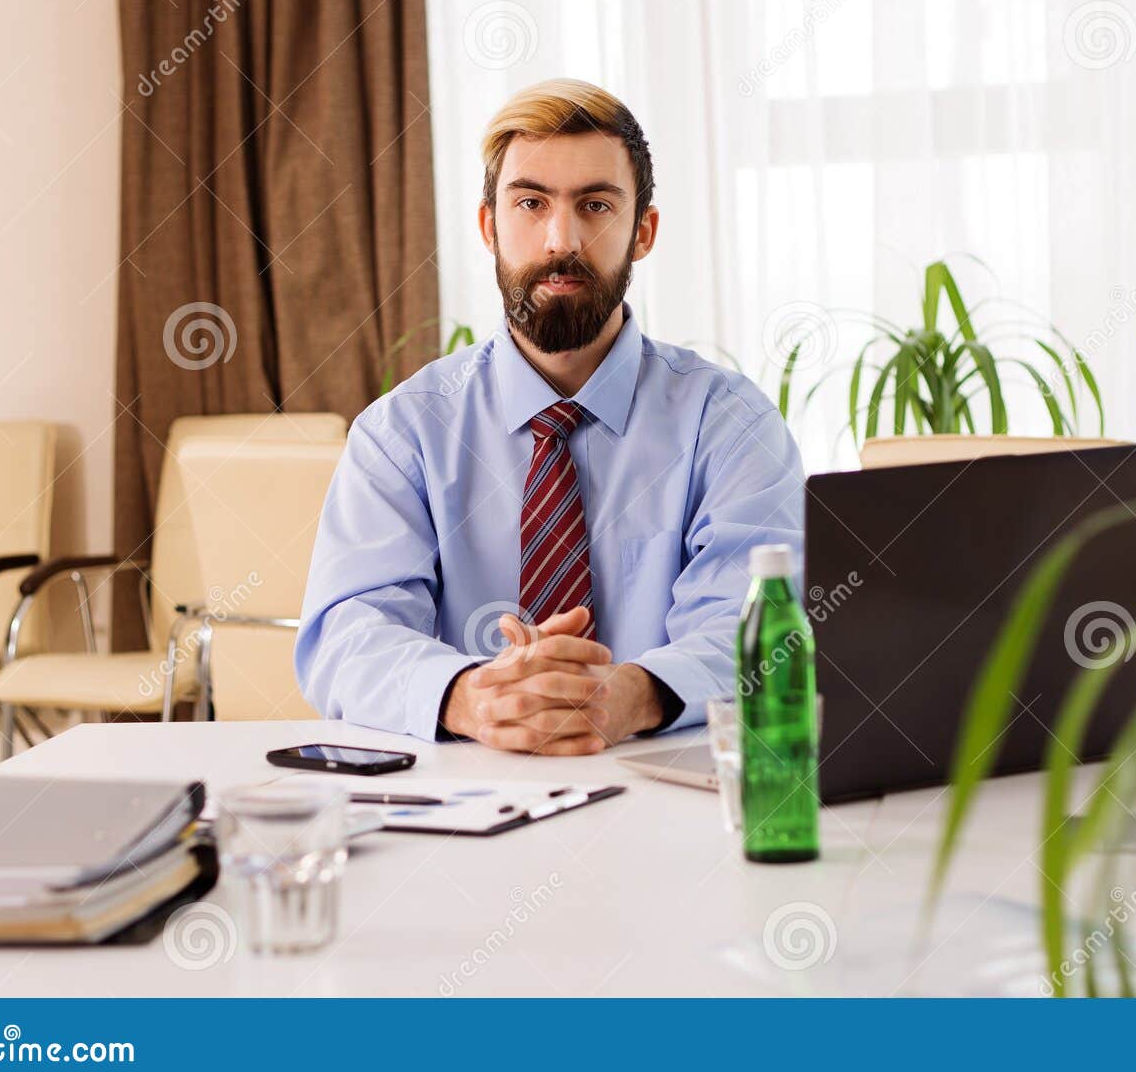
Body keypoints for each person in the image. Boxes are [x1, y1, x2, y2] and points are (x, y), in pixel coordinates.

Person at [295, 78, 804, 755]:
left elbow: (760, 625)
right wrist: (471, 696)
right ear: (488, 225)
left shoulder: (730, 424)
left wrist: (633, 693)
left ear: (643, 231)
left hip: (668, 797)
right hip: (459, 802)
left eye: (595, 204)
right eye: (531, 202)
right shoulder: (403, 433)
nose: (561, 239)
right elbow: (348, 631)